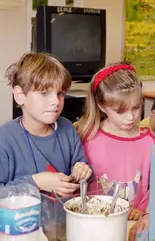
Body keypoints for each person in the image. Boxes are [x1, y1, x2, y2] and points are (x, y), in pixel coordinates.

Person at [75, 63, 155, 238]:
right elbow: (77, 185)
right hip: (93, 225)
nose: (131, 117)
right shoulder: (87, 138)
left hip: (133, 224)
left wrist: (144, 211)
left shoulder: (149, 141)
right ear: (102, 106)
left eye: (136, 107)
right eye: (120, 111)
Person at [0, 52, 93, 196]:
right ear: (20, 96)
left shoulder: (67, 128)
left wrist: (84, 172)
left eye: (60, 93)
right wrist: (36, 183)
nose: (55, 101)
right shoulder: (4, 138)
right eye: (44, 93)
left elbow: (85, 174)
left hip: (63, 217)